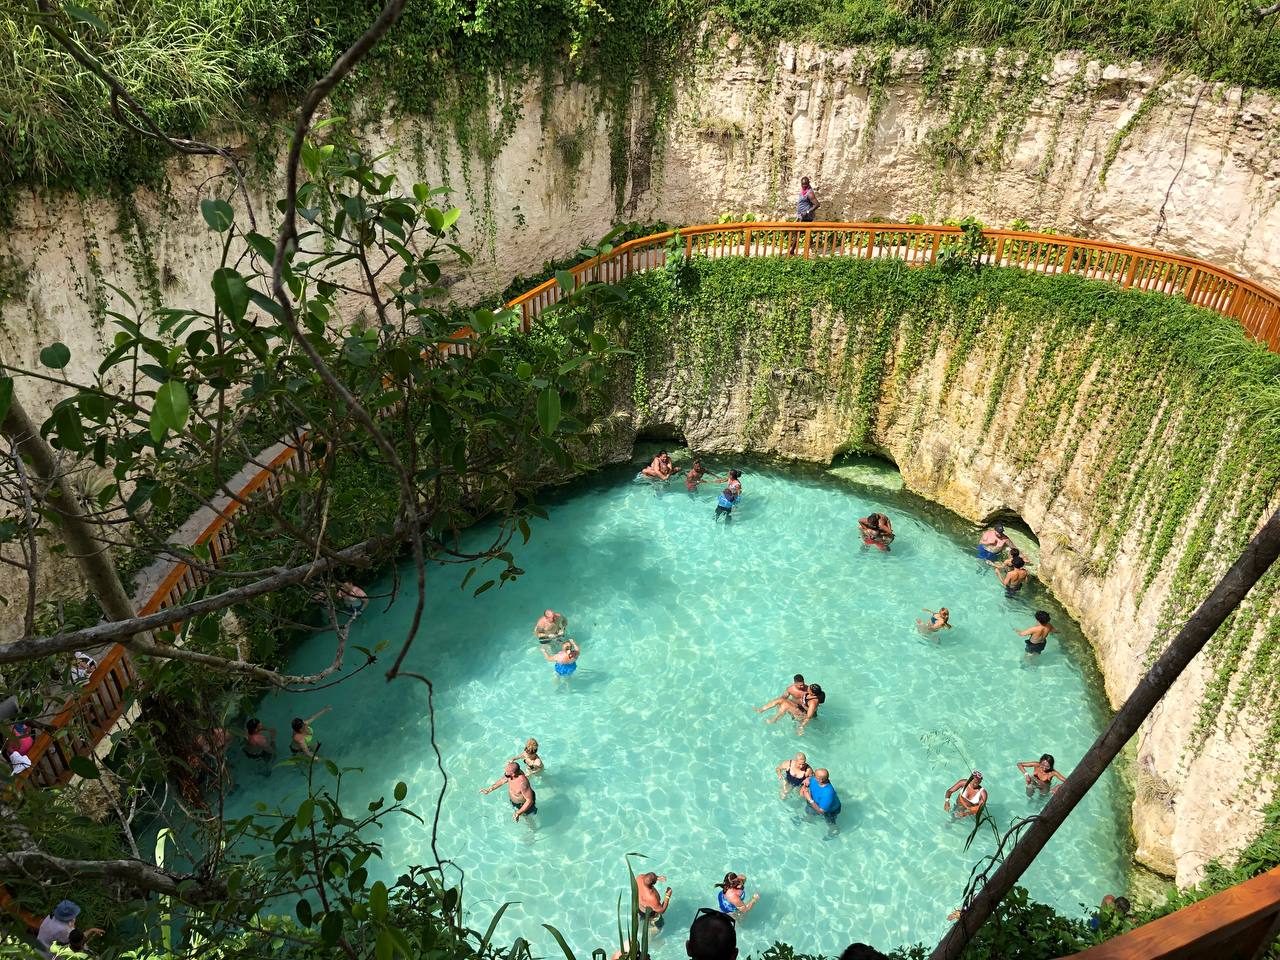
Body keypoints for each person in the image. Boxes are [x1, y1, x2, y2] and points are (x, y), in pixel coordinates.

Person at [801, 768, 841, 836]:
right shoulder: (815, 779)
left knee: (830, 822)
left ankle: (834, 831)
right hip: (815, 802)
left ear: (820, 780)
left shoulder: (828, 793)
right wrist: (807, 779)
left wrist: (809, 799)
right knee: (810, 812)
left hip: (830, 811)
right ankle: (809, 819)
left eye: (814, 775)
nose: (813, 775)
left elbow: (821, 811)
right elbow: (811, 778)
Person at [788, 176, 820, 254]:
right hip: (801, 216)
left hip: (807, 217)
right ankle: (812, 249)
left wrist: (807, 212)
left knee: (798, 231)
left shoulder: (810, 193)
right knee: (805, 232)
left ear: (808, 183)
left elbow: (817, 204)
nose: (804, 186)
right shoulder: (803, 191)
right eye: (802, 184)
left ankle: (792, 251)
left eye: (805, 184)